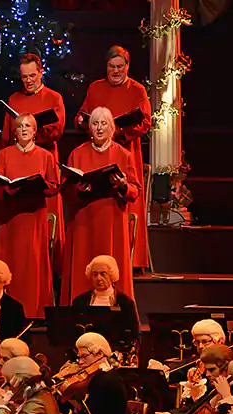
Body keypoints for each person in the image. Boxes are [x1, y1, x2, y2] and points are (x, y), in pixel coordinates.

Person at [80, 46, 153, 270]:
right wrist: (82, 121)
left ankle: (132, 259)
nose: (116, 71)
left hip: (126, 150)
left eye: (120, 67)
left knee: (127, 199)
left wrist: (121, 132)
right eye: (112, 67)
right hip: (98, 151)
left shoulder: (137, 90)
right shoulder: (96, 87)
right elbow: (84, 113)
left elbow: (146, 121)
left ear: (127, 67)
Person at [63, 106, 141, 302]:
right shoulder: (77, 154)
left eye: (104, 123)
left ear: (112, 128)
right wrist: (79, 189)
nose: (99, 128)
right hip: (84, 220)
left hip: (111, 218)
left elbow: (135, 191)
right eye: (95, 123)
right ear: (89, 128)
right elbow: (66, 191)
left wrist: (123, 186)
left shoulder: (123, 155)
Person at [0, 114, 60, 315]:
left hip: (33, 215)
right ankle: (4, 311)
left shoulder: (45, 156)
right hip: (10, 217)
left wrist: (40, 185)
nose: (23, 129)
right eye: (20, 126)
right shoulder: (4, 154)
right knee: (9, 262)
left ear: (35, 131)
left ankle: (33, 310)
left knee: (32, 263)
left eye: (28, 126)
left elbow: (54, 185)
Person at [5, 53, 67, 152]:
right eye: (24, 77)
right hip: (19, 156)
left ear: (41, 73)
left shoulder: (54, 98)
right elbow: (6, 138)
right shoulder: (13, 99)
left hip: (46, 156)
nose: (28, 80)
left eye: (32, 75)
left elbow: (57, 133)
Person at [74, 255, 140, 345]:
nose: (99, 278)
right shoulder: (80, 301)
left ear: (111, 276)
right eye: (95, 274)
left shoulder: (125, 302)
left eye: (103, 274)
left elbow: (134, 335)